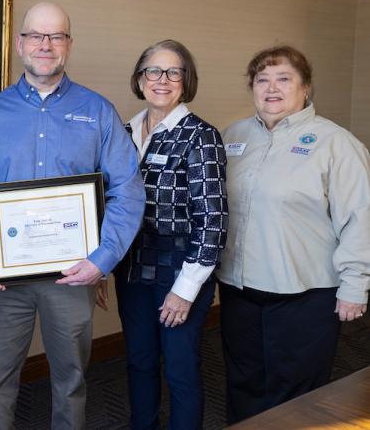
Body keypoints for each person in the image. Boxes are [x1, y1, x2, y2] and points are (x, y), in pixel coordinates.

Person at [0, 2, 145, 429]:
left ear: (68, 46)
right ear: (21, 44)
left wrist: (102, 259)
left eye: (56, 36)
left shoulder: (97, 112)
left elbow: (128, 190)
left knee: (71, 380)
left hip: (73, 275)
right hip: (6, 279)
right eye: (36, 36)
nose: (45, 45)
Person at [217, 45, 370, 423]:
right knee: (243, 382)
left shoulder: (336, 143)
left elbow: (360, 218)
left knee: (298, 394)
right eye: (262, 79)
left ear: (306, 88)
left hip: (305, 295)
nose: (272, 88)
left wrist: (355, 285)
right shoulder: (232, 136)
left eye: (284, 79)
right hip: (239, 290)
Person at [115, 40, 227, 429]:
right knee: (139, 362)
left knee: (180, 369)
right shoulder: (124, 131)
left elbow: (213, 219)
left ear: (185, 80)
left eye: (173, 72)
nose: (162, 80)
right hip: (131, 270)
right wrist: (100, 262)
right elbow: (108, 204)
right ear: (139, 78)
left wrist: (186, 288)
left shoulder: (201, 136)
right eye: (153, 71)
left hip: (180, 273)